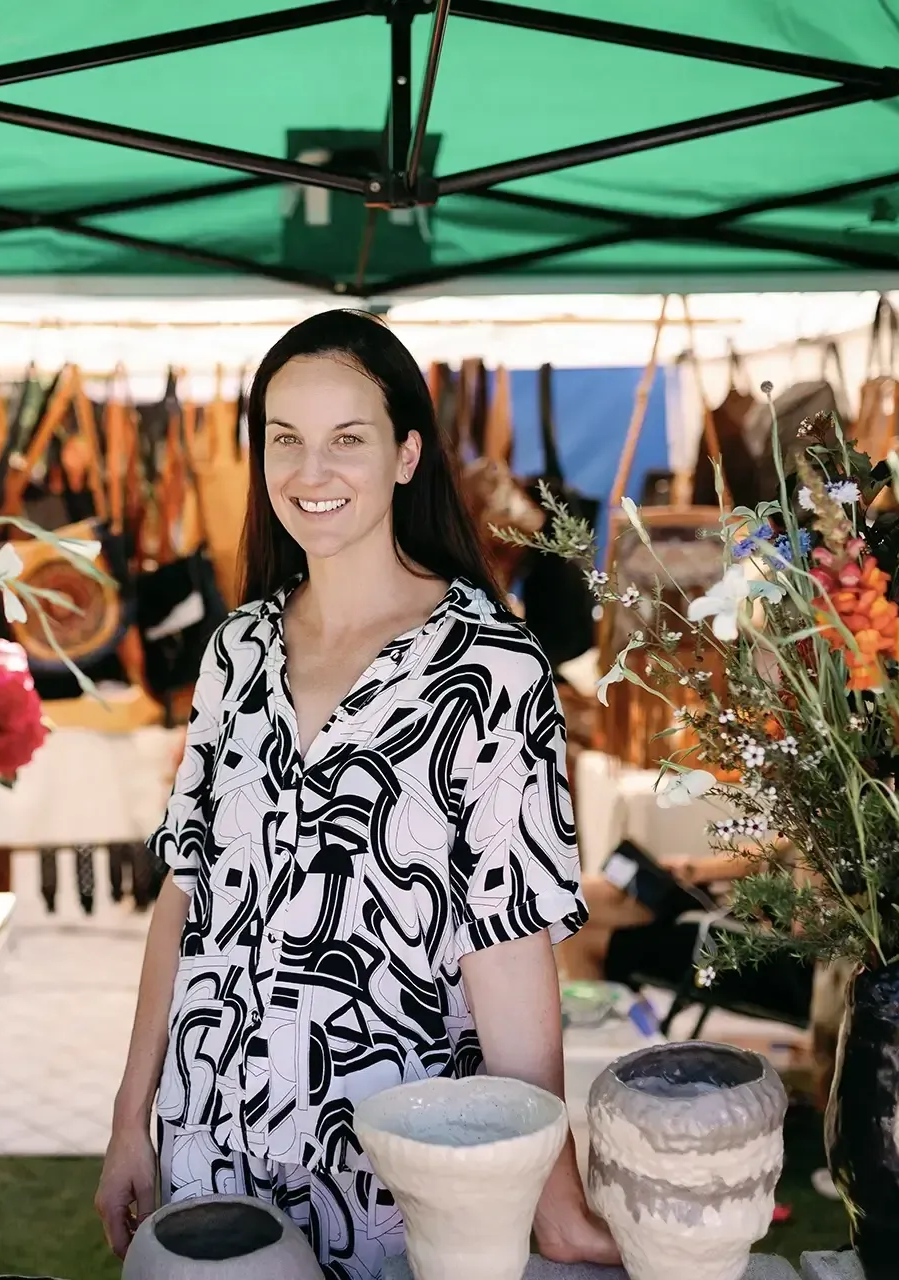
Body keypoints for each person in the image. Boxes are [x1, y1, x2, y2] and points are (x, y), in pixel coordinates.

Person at [96, 311, 620, 1279]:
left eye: (348, 439)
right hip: (212, 1140)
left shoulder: (490, 667)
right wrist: (134, 1116)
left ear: (407, 452)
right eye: (284, 439)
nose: (310, 470)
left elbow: (508, 941)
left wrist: (552, 1192)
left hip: (400, 1156)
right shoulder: (236, 649)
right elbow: (185, 896)